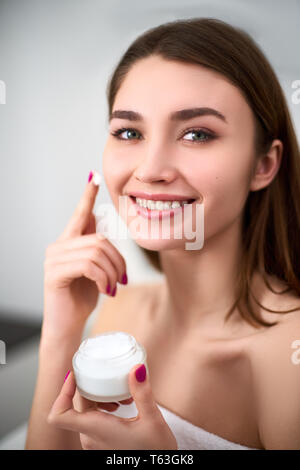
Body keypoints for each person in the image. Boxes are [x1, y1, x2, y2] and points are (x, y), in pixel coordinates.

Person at [25, 18, 300, 450]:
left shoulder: (289, 357)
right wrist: (62, 330)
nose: (150, 170)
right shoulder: (118, 313)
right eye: (129, 132)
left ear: (263, 165)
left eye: (197, 134)